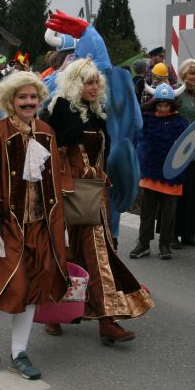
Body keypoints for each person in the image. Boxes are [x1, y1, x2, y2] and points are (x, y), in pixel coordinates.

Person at [45, 58, 154, 344]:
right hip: (71, 194)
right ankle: (72, 315)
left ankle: (99, 318)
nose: (94, 87)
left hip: (93, 193)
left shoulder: (95, 113)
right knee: (74, 253)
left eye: (96, 82)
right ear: (75, 84)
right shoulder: (61, 109)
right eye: (87, 82)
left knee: (92, 254)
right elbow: (55, 151)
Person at [0, 71, 68, 381]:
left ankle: (19, 354)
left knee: (35, 289)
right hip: (7, 226)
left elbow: (53, 182)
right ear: (10, 101)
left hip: (40, 224)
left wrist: (58, 224)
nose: (28, 102)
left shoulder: (47, 132)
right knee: (14, 288)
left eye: (33, 97)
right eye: (22, 97)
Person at [130, 84, 188, 260]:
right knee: (147, 212)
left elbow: (186, 148)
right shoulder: (147, 119)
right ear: (155, 104)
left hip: (172, 175)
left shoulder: (180, 122)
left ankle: (165, 244)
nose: (163, 108)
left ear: (172, 105)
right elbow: (137, 141)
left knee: (168, 214)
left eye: (166, 105)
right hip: (151, 172)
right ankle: (143, 244)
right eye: (160, 105)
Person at [172, 58, 195, 249]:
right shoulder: (177, 94)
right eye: (192, 73)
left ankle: (189, 233)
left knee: (193, 193)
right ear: (184, 74)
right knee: (178, 193)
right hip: (180, 150)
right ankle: (173, 234)